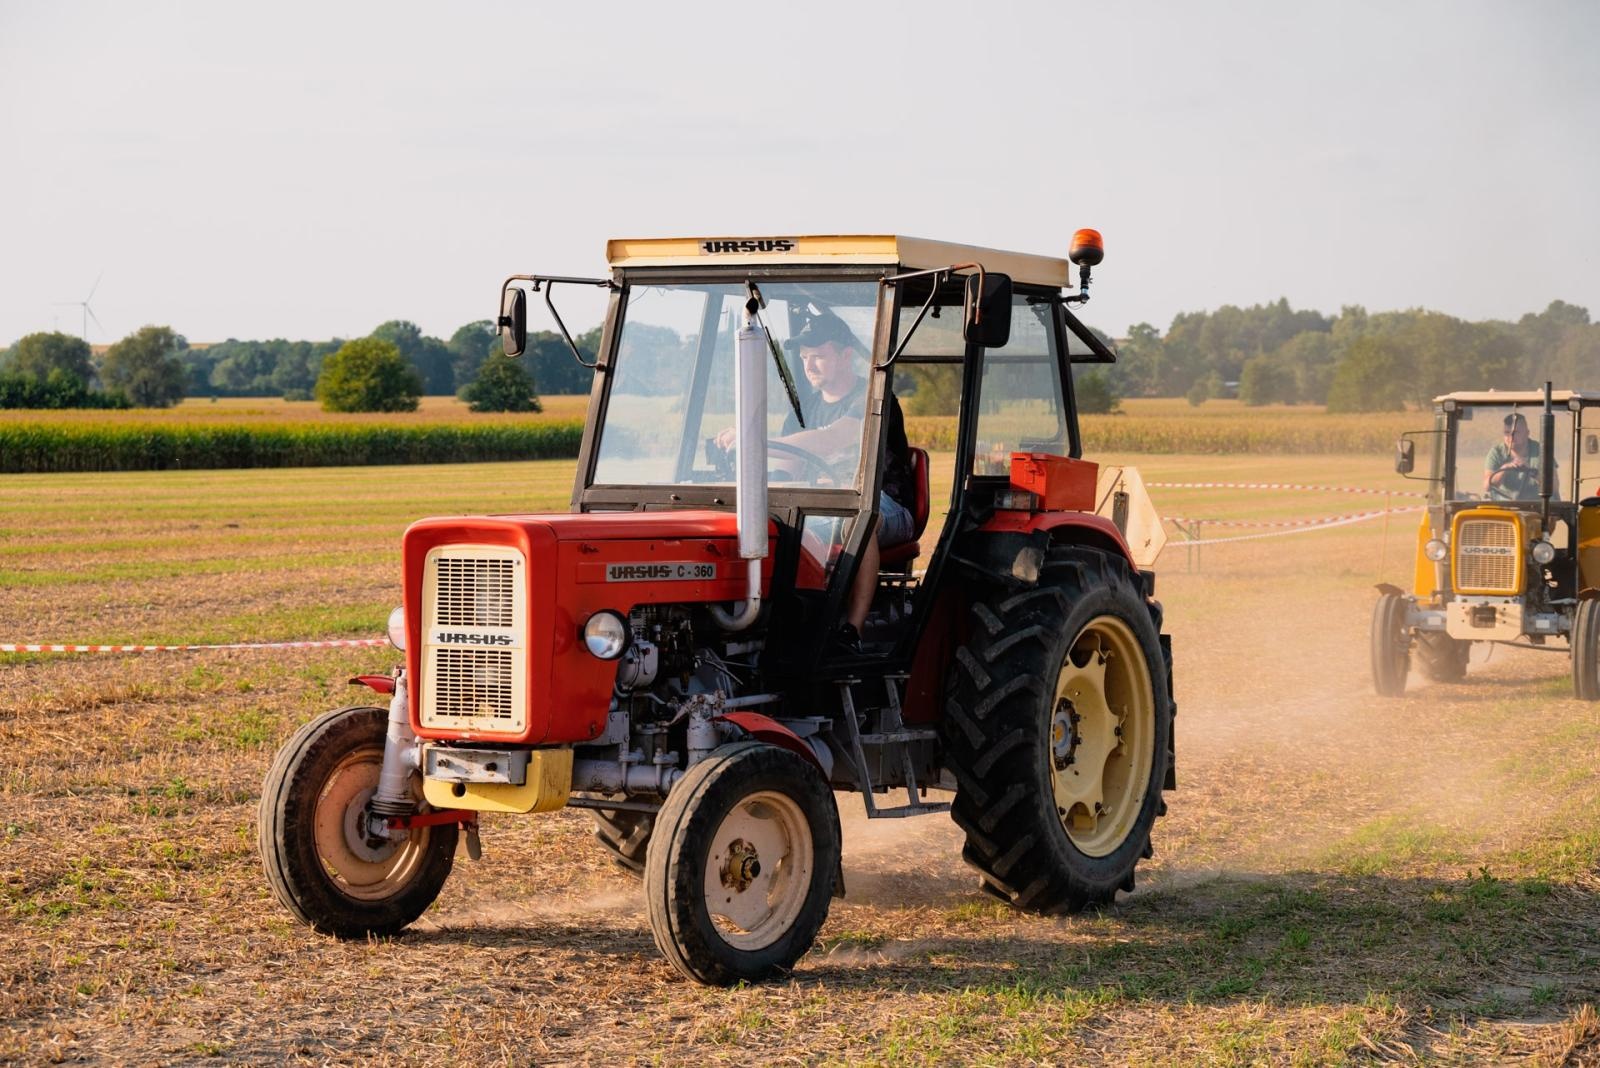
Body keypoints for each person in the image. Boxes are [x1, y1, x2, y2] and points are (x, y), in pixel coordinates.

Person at [720, 313, 914, 647]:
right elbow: (787, 462)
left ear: (845, 356)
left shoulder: (872, 400)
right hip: (823, 505)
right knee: (771, 524)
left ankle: (851, 631)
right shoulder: (804, 407)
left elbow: (832, 439)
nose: (810, 366)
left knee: (857, 519)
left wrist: (754, 437)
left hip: (886, 505)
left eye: (819, 356)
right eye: (805, 357)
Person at [1484, 412, 1548, 501]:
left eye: (1515, 433)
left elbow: (1554, 486)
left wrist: (1532, 472)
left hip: (1536, 507)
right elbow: (1487, 486)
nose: (1510, 437)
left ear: (1527, 433)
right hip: (1503, 508)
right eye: (1507, 433)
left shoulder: (1541, 451)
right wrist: (1504, 469)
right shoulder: (1496, 452)